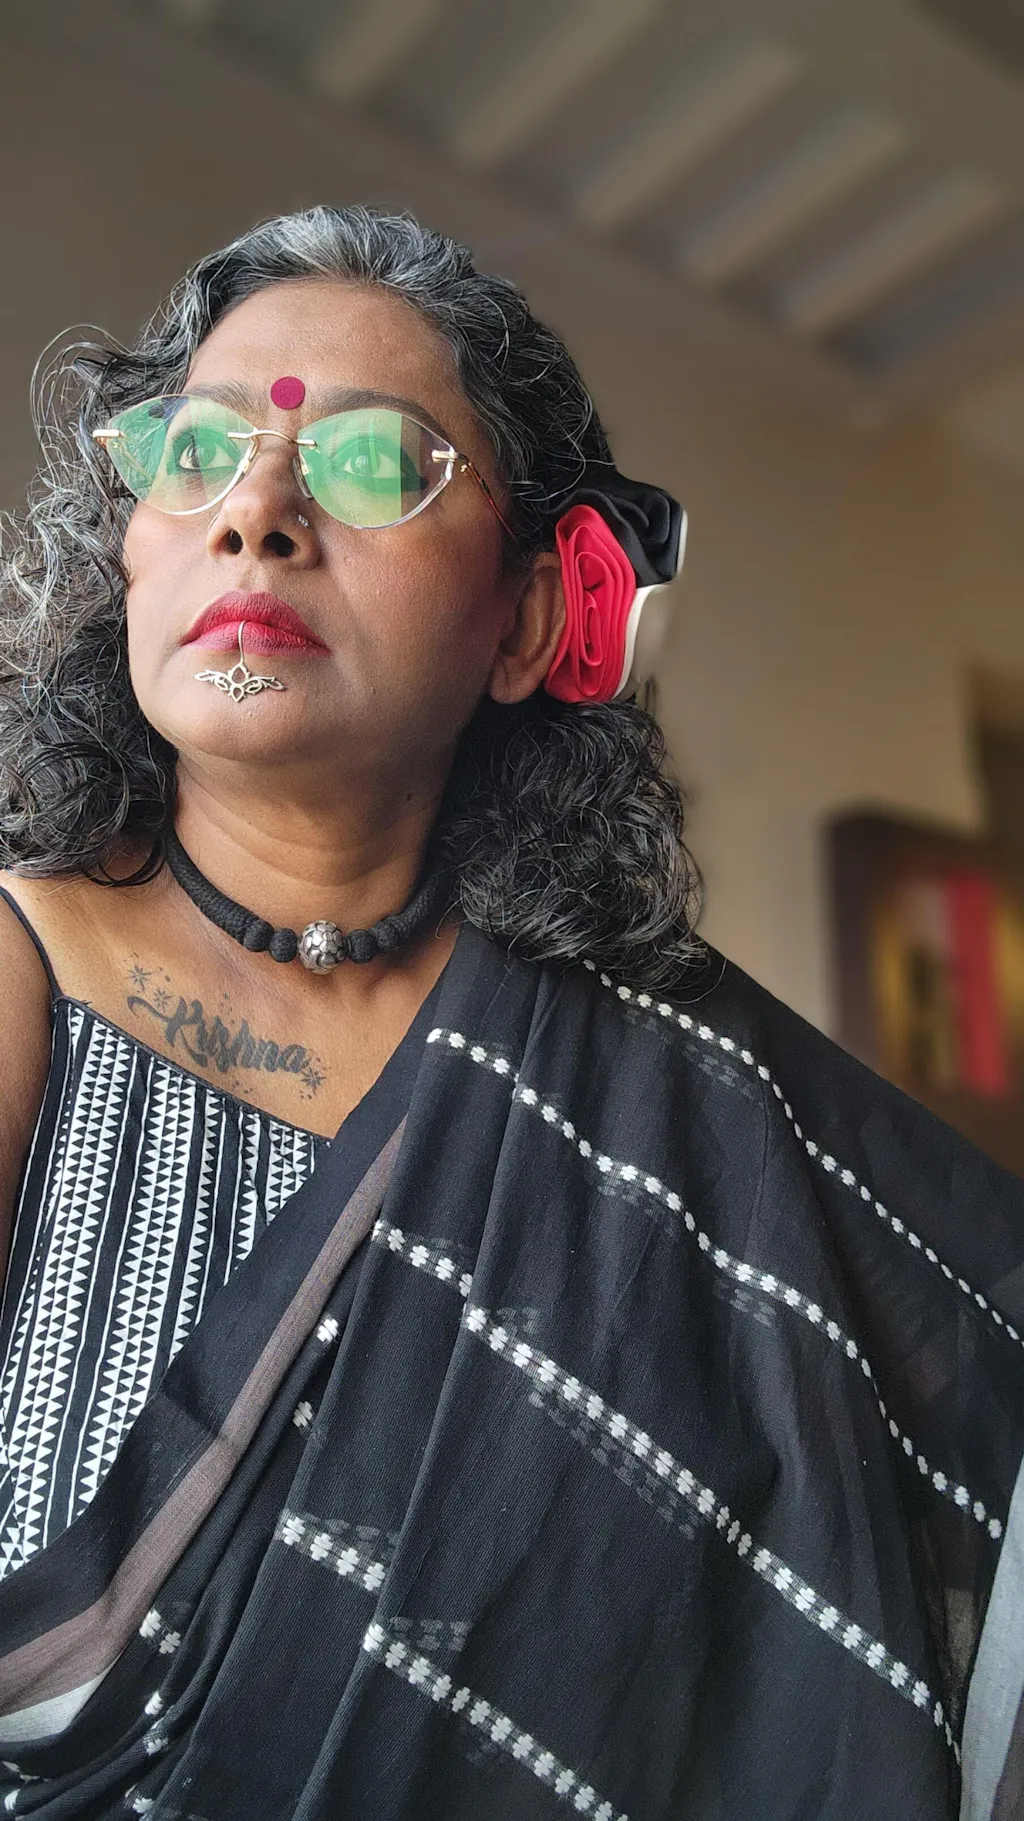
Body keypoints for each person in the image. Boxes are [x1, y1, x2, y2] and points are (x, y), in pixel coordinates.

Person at [0, 206, 1019, 1821]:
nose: (255, 511)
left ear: (534, 619)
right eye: (195, 452)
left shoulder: (658, 1096)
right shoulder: (23, 972)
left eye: (370, 465)